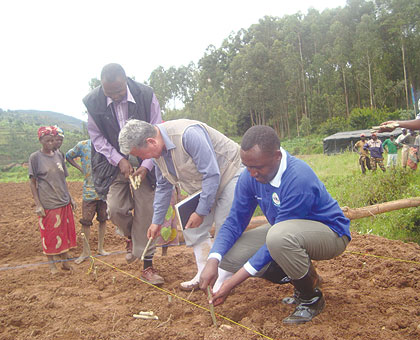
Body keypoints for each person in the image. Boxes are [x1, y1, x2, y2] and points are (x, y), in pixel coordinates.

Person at [199, 125, 351, 324]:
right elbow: (235, 220)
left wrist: (232, 282)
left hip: (330, 234)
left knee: (278, 238)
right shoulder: (250, 177)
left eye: (258, 167)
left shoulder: (298, 178)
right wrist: (213, 260)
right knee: (227, 254)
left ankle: (310, 298)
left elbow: (276, 241)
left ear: (277, 156)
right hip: (286, 230)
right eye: (247, 166)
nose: (252, 173)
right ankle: (307, 277)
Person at [118, 119, 243, 291]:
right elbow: (163, 186)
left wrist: (200, 211)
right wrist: (157, 221)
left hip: (231, 173)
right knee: (190, 224)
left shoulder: (188, 135)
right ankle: (203, 272)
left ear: (151, 141)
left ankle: (223, 277)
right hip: (204, 183)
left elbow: (212, 174)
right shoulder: (157, 154)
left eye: (140, 155)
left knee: (225, 224)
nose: (142, 160)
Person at [83, 63, 163, 285]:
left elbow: (157, 131)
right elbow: (97, 138)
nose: (116, 97)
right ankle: (131, 237)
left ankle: (148, 266)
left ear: (126, 80)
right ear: (102, 87)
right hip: (113, 160)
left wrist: (146, 165)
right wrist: (119, 160)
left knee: (147, 210)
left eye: (119, 91)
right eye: (110, 93)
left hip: (146, 156)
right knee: (115, 209)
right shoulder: (93, 102)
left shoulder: (145, 95)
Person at [28, 126, 77, 274]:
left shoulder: (59, 155)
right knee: (50, 234)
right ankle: (52, 266)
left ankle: (65, 262)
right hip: (48, 202)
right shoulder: (35, 158)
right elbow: (32, 182)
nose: (51, 143)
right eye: (47, 140)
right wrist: (38, 204)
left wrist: (70, 197)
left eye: (52, 140)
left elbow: (62, 179)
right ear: (40, 140)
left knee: (64, 232)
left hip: (63, 200)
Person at [66, 140, 110, 264]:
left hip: (103, 190)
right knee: (86, 221)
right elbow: (68, 156)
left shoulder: (106, 144)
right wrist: (80, 169)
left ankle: (100, 248)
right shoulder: (82, 145)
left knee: (103, 219)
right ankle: (85, 251)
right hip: (89, 191)